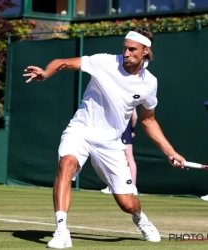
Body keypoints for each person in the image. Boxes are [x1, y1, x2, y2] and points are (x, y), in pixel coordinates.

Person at [23, 27, 185, 249]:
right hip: (81, 129)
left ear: (145, 52)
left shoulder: (149, 84)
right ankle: (61, 230)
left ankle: (141, 219)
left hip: (110, 144)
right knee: (66, 165)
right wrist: (45, 73)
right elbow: (62, 62)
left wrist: (171, 152)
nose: (126, 53)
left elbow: (148, 121)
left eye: (132, 49)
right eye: (124, 48)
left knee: (127, 203)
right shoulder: (103, 62)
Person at [101, 108, 139, 195]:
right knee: (113, 156)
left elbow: (135, 117)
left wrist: (131, 130)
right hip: (116, 129)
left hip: (121, 129)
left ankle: (132, 186)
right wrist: (131, 130)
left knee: (128, 156)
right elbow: (135, 117)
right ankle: (113, 186)